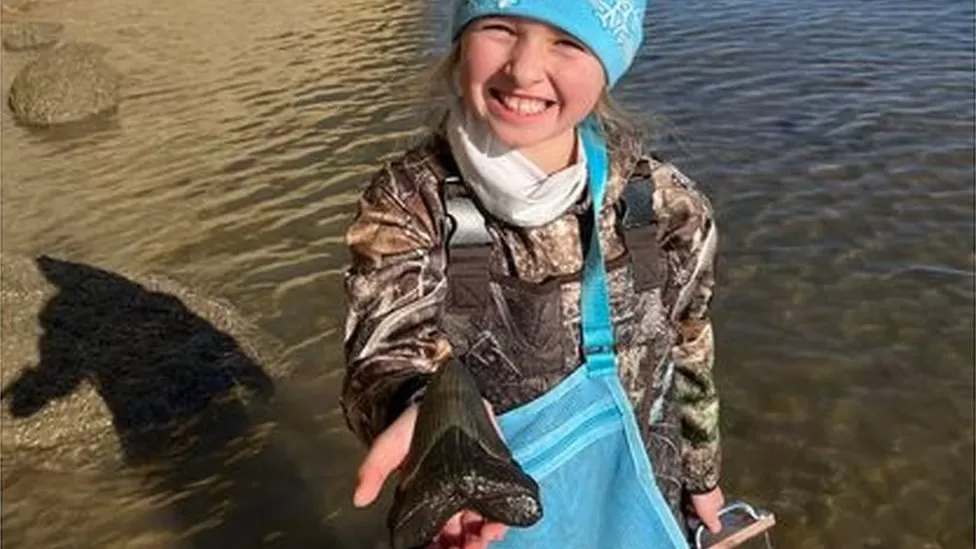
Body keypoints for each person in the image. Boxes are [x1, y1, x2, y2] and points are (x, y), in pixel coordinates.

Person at [341, 1, 724, 547]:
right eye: (500, 28)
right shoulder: (409, 204)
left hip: (640, 488)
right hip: (477, 513)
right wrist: (429, 418)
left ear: (609, 61)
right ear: (460, 40)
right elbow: (383, 353)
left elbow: (689, 341)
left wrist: (702, 477)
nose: (523, 69)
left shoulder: (662, 203)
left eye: (567, 41)